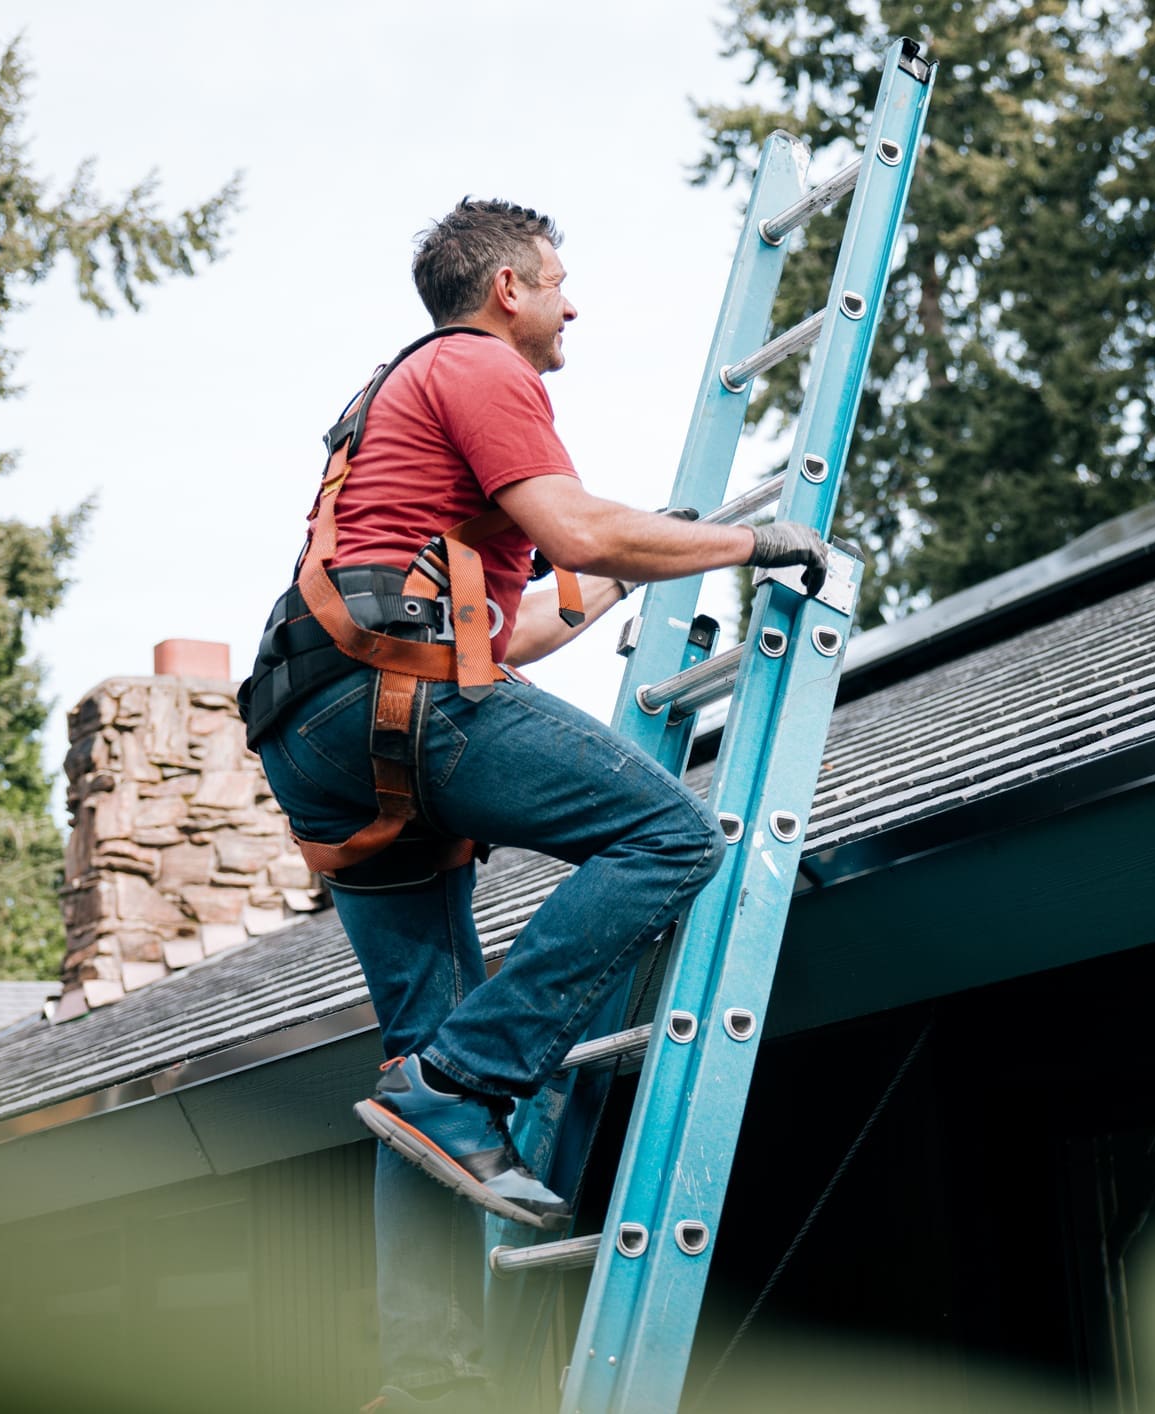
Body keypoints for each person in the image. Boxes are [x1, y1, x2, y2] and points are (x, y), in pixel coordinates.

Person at [242, 198, 831, 1412]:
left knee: (413, 1068)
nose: (575, 305)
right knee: (668, 833)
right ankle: (474, 1083)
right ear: (507, 285)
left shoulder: (387, 411)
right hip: (392, 699)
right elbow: (568, 523)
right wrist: (745, 543)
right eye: (560, 282)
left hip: (323, 728)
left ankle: (426, 1379)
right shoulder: (480, 365)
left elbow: (505, 626)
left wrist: (619, 583)